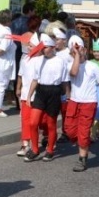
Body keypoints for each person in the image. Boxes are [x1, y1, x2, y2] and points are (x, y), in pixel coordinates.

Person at [66, 40, 99, 172]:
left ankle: (82, 158)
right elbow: (74, 73)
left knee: (82, 132)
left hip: (89, 102)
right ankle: (85, 141)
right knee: (70, 130)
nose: (78, 51)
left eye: (80, 48)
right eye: (74, 49)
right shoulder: (70, 64)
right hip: (74, 101)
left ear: (85, 50)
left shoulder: (93, 66)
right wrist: (76, 55)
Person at [24, 34, 70, 162]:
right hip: (41, 91)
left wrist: (68, 96)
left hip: (54, 92)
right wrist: (29, 96)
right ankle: (34, 150)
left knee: (51, 124)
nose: (43, 50)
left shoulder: (60, 61)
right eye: (42, 47)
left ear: (52, 47)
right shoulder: (39, 60)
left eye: (46, 47)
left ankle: (50, 150)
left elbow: (65, 81)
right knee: (33, 122)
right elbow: (35, 79)